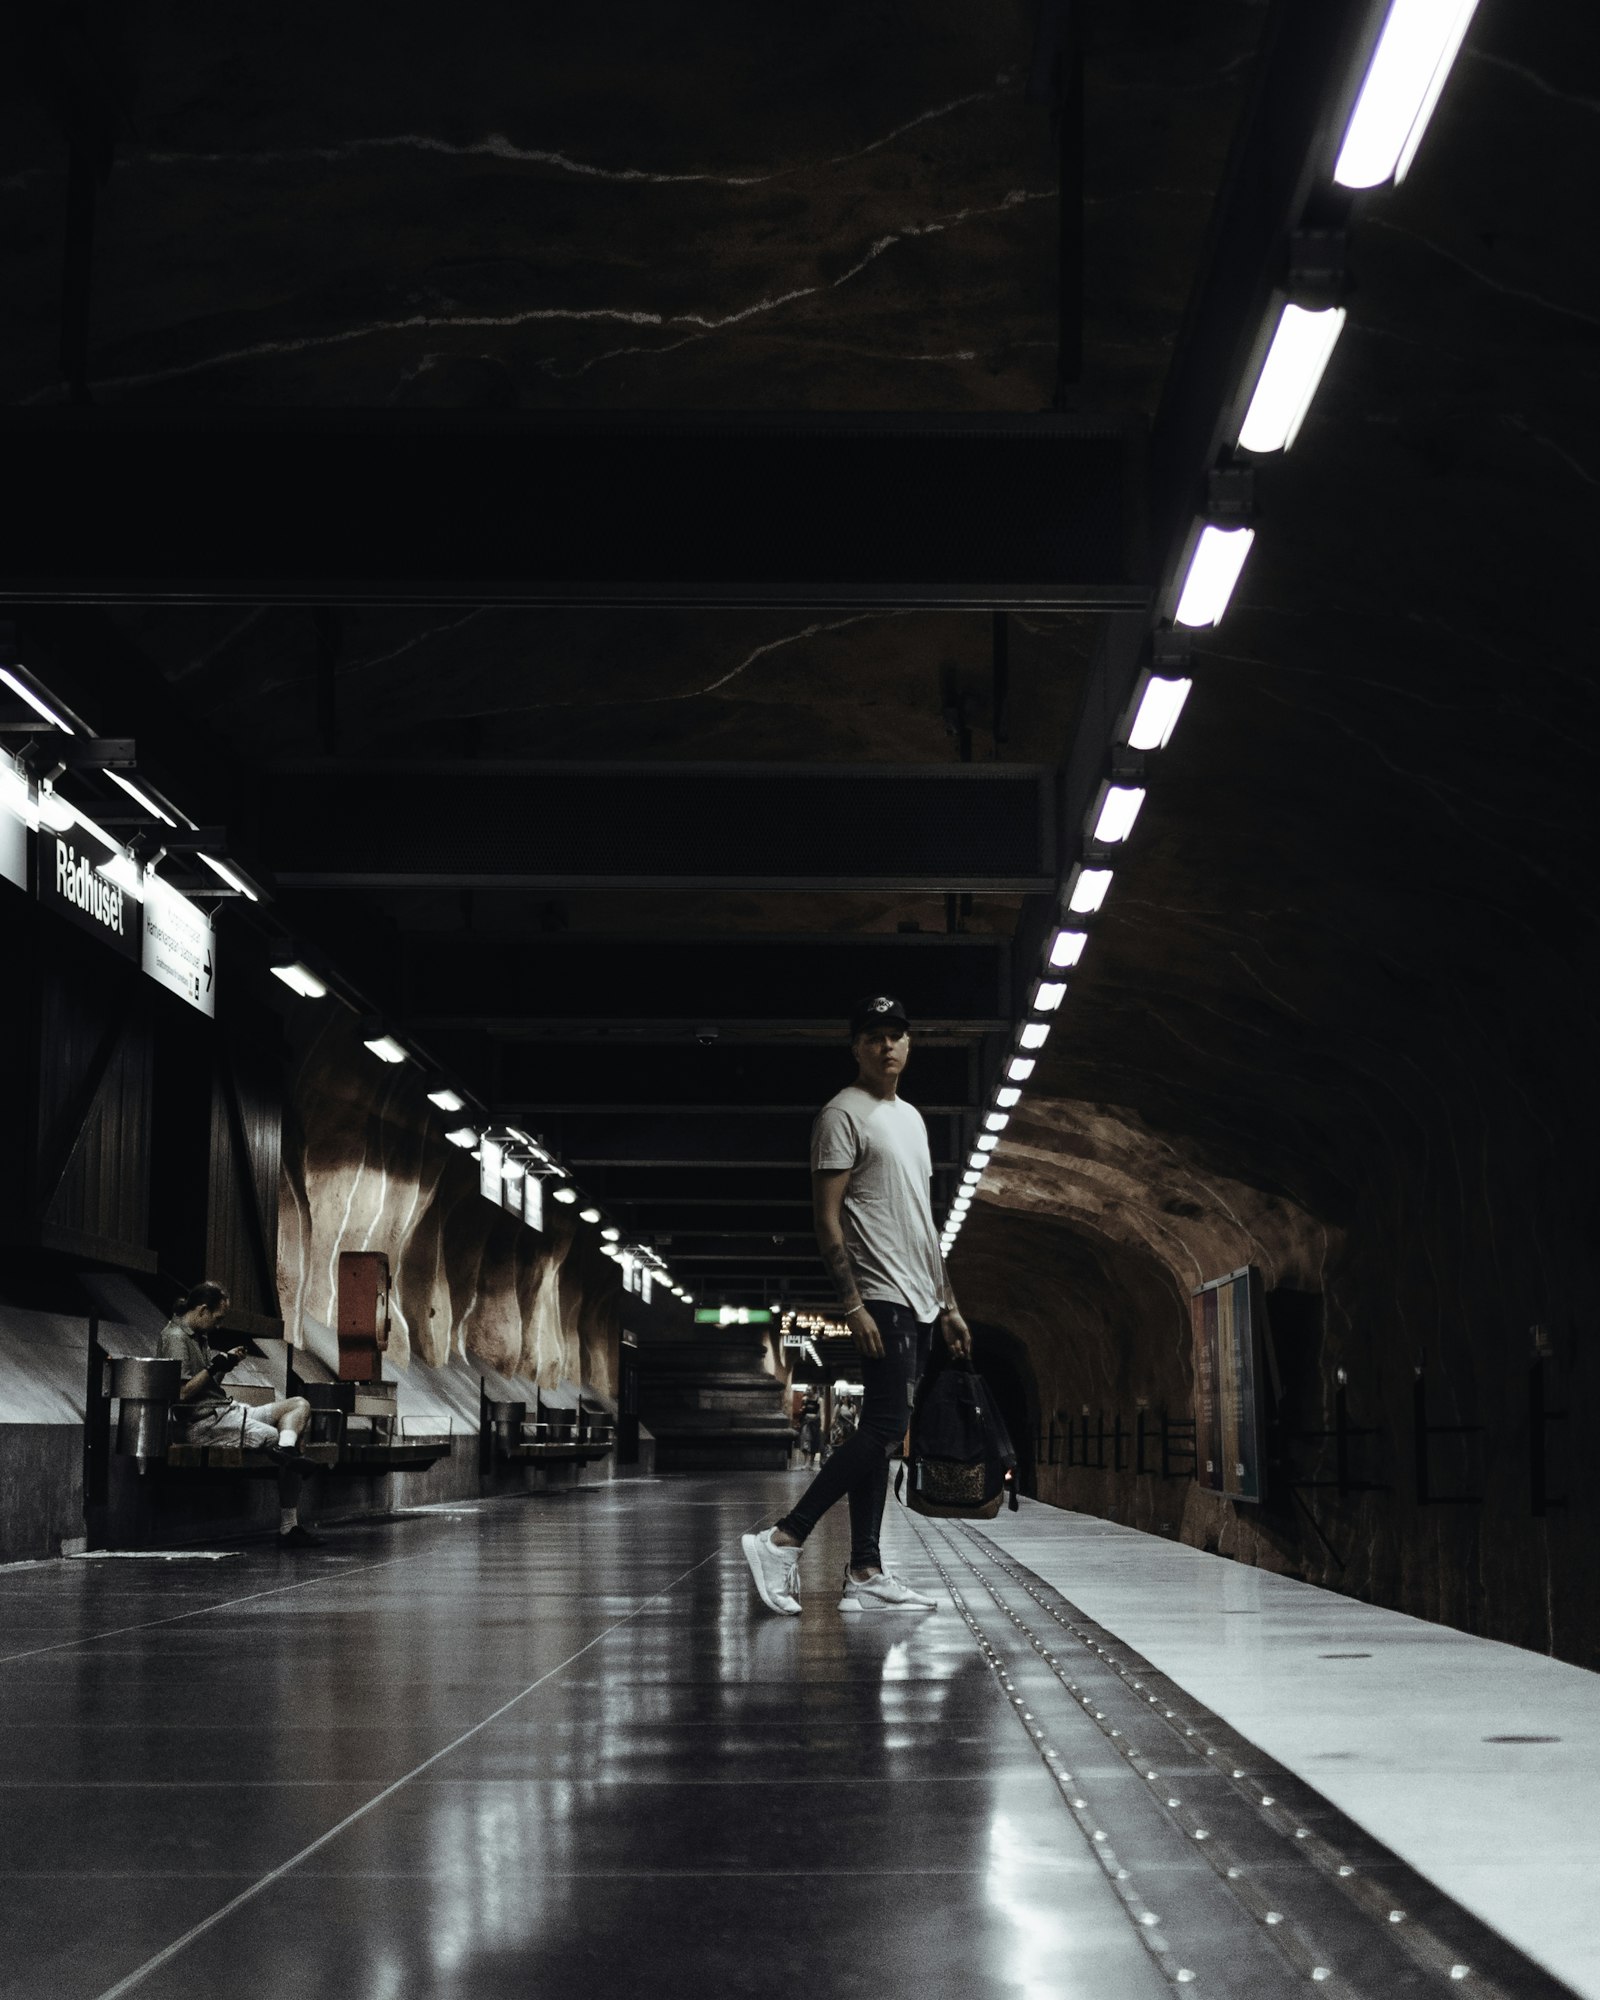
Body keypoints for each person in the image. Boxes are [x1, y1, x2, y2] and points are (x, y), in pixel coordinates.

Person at [742, 995, 971, 1615]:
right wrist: (852, 1303)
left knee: (884, 1427)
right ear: (857, 1047)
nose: (887, 1046)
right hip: (880, 1293)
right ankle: (784, 1538)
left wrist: (947, 1301)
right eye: (874, 1036)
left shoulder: (915, 1119)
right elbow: (826, 1218)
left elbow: (923, 1221)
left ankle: (866, 1570)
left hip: (920, 1298)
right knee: (885, 1427)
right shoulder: (842, 1114)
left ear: (909, 1044)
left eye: (897, 1035)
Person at [156, 1281, 322, 1550]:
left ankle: (287, 1450)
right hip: (203, 1423)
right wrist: (213, 1367)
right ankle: (288, 1525)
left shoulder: (200, 1336)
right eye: (217, 1318)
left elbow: (209, 1383)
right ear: (202, 1311)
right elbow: (183, 1394)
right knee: (273, 1436)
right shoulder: (176, 1338)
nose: (219, 1325)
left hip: (227, 1411)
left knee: (299, 1405)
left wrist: (225, 1365)